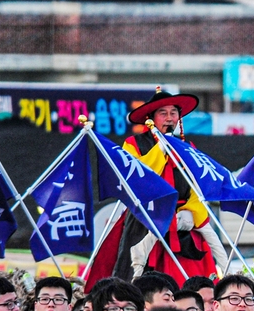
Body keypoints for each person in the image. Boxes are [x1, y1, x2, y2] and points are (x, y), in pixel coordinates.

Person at [88, 87, 227, 287]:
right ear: (150, 118)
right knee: (137, 281)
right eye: (163, 113)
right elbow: (136, 179)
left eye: (173, 113)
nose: (169, 118)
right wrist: (160, 148)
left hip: (184, 223)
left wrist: (190, 212)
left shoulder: (188, 147)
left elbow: (198, 184)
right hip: (146, 219)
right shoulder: (132, 144)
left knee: (193, 286)